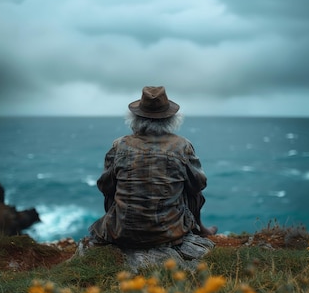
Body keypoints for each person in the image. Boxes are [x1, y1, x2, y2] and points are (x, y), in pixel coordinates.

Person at [88, 86, 217, 249]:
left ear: (135, 118)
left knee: (110, 188)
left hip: (121, 233)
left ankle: (122, 225)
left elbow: (104, 186)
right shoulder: (182, 146)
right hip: (169, 233)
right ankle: (200, 229)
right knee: (195, 192)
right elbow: (199, 184)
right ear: (171, 119)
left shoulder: (119, 145)